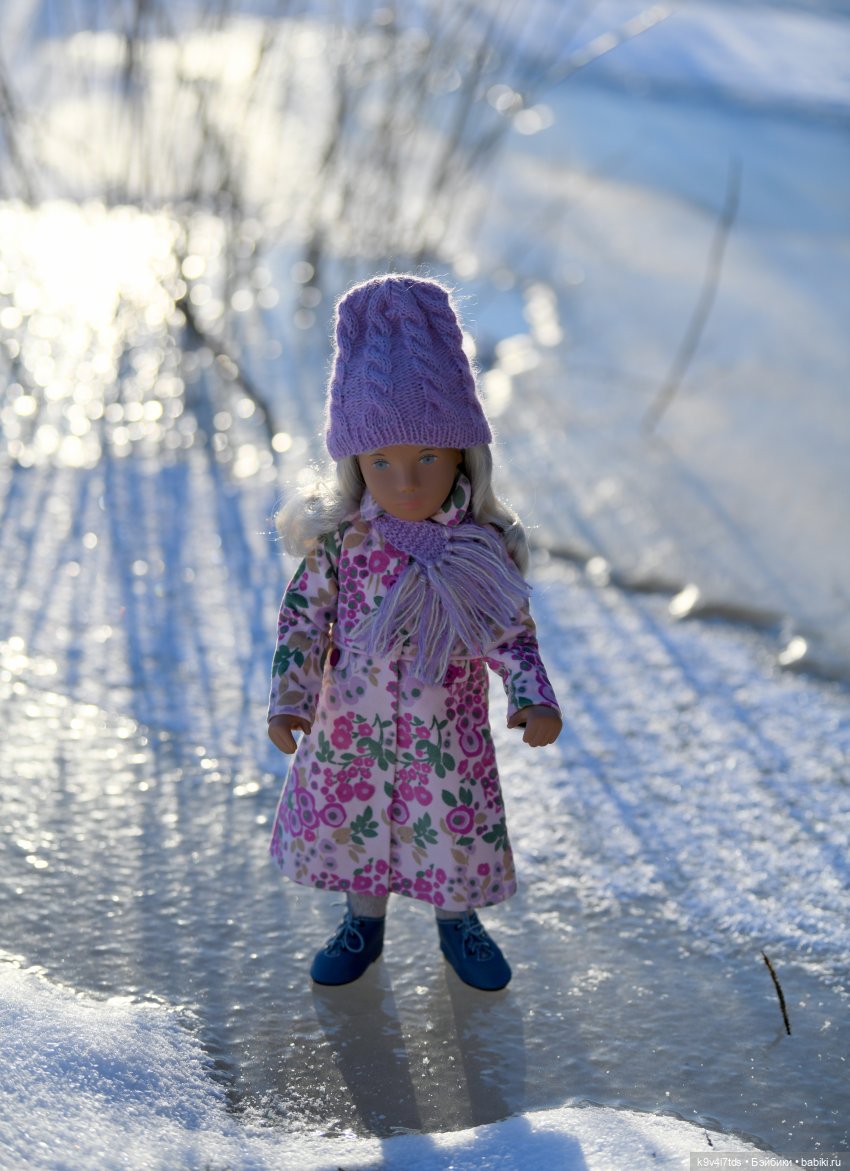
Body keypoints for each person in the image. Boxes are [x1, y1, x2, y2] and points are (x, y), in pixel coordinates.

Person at [267, 273, 562, 991]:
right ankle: (359, 923)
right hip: (352, 730)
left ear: (463, 452)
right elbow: (304, 621)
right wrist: (290, 698)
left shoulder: (478, 548)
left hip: (445, 732)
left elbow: (509, 630)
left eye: (427, 456)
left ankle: (458, 921)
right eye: (382, 462)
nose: (405, 481)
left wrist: (532, 693)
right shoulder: (343, 543)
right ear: (355, 464)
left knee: (450, 829)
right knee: (356, 826)